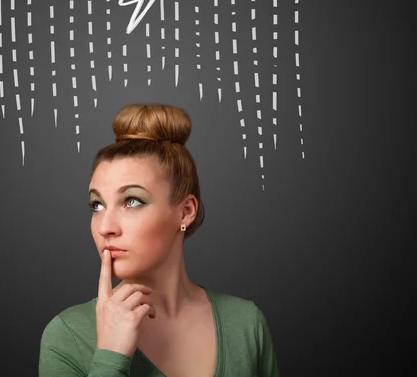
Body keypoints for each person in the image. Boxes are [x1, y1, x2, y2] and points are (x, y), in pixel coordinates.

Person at [39, 103, 279, 376]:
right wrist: (110, 356)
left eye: (132, 201)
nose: (106, 227)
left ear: (186, 211)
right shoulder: (67, 335)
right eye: (97, 205)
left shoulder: (246, 324)